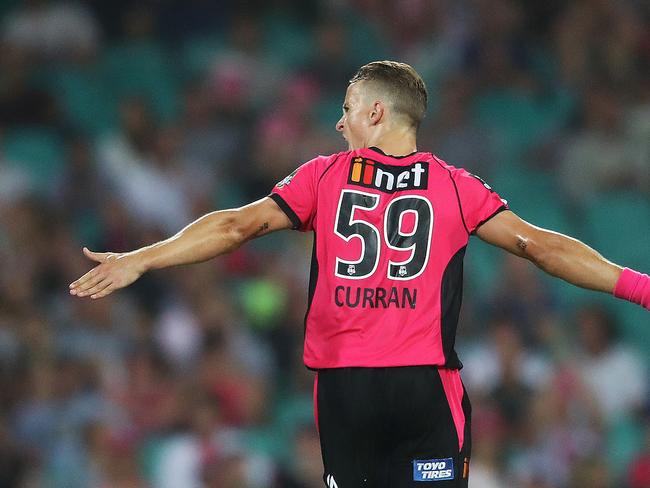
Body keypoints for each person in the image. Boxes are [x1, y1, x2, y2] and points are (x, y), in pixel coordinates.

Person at [69, 61, 650, 487]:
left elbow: (234, 228)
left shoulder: (323, 177)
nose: (339, 123)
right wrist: (643, 288)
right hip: (424, 387)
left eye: (347, 110)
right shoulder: (454, 185)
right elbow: (542, 248)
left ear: (376, 113)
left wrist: (142, 257)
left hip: (346, 390)